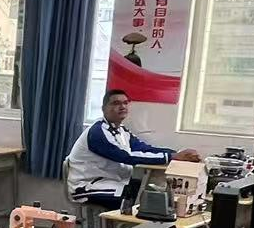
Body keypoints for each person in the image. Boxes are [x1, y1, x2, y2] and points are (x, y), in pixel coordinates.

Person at [66, 88, 202, 206]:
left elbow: (144, 149)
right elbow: (126, 157)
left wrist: (177, 154)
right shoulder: (97, 132)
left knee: (152, 191)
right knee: (141, 198)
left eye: (125, 103)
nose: (122, 107)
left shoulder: (122, 130)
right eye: (116, 103)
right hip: (87, 186)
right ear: (104, 108)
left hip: (113, 182)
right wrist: (172, 157)